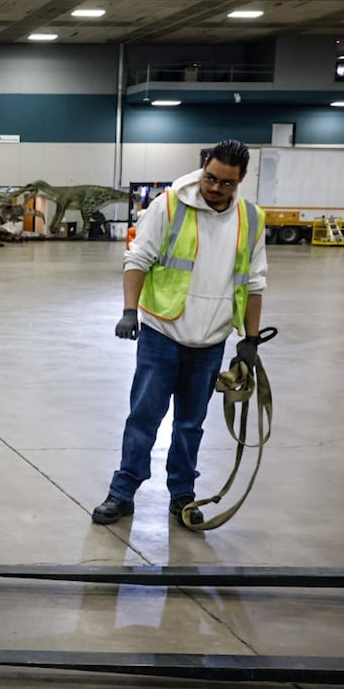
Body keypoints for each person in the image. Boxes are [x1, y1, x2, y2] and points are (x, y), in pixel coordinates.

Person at [91, 139, 267, 528]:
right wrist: (128, 311)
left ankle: (182, 496)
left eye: (226, 183)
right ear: (203, 169)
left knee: (191, 424)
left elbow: (254, 283)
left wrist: (250, 339)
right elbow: (137, 258)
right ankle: (122, 493)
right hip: (162, 334)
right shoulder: (169, 205)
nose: (216, 188)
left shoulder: (251, 219)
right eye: (211, 178)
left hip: (210, 343)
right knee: (144, 417)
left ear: (241, 181)